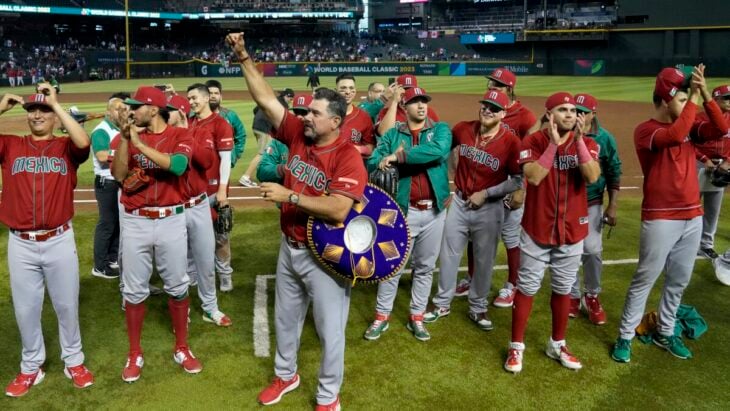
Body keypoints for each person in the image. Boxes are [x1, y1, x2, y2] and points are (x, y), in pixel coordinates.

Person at [227, 32, 367, 411]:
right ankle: (286, 375)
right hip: (289, 247)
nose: (305, 117)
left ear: (335, 121)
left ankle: (327, 397)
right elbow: (266, 100)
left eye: (314, 113)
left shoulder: (347, 157)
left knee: (329, 331)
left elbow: (339, 208)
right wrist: (243, 57)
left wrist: (290, 196)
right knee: (286, 319)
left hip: (326, 256)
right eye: (305, 112)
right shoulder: (298, 136)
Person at [611, 65, 728, 363]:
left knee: (678, 280)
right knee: (645, 279)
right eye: (681, 99)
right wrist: (693, 100)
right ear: (666, 99)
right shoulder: (646, 131)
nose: (688, 106)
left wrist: (703, 93)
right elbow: (675, 135)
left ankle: (666, 331)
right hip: (661, 216)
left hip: (693, 216)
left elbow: (721, 128)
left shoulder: (688, 124)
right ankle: (624, 336)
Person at [0, 85, 95, 397]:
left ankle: (74, 360)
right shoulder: (10, 145)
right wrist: (1, 108)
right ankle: (30, 366)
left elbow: (84, 142)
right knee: (26, 309)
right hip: (21, 243)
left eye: (43, 110)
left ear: (54, 116)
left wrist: (56, 103)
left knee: (67, 305)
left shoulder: (67, 148)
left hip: (59, 240)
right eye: (32, 111)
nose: (37, 115)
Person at [504, 92, 600, 373]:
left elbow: (592, 176)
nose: (571, 114)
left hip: (572, 231)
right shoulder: (533, 141)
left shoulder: (589, 143)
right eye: (563, 109)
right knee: (527, 288)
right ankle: (516, 346)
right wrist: (554, 147)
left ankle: (557, 343)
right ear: (549, 114)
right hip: (538, 229)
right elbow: (533, 176)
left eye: (573, 110)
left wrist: (579, 142)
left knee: (562, 289)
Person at [112, 86, 201, 382]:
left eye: (136, 106)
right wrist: (127, 140)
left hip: (170, 219)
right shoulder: (127, 136)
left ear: (153, 109)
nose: (131, 110)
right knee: (134, 289)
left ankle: (182, 347)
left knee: (177, 284)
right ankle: (134, 352)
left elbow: (177, 166)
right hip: (136, 220)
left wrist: (140, 143)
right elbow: (118, 175)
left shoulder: (179, 135)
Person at [423, 90, 522, 332]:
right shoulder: (463, 129)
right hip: (459, 202)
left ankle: (477, 307)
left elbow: (517, 180)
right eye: (485, 106)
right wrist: (449, 179)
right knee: (448, 255)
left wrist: (487, 193)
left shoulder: (511, 142)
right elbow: (443, 150)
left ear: (503, 113)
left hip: (489, 209)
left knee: (484, 259)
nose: (487, 111)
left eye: (494, 108)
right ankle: (442, 303)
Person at [363, 86, 452, 342]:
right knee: (392, 266)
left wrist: (398, 158)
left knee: (424, 267)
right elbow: (372, 162)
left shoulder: (440, 130)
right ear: (405, 107)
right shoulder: (392, 134)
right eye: (414, 102)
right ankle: (382, 315)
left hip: (434, 211)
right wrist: (382, 159)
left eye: (424, 101)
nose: (421, 106)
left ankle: (417, 316)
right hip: (403, 212)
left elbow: (437, 152)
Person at [455, 67, 540, 307]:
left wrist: (520, 188)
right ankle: (471, 277)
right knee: (475, 236)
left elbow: (530, 154)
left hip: (510, 186)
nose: (491, 87)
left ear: (509, 89)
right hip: (483, 188)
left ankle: (512, 284)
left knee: (511, 236)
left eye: (497, 85)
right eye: (490, 83)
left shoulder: (525, 116)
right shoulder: (488, 109)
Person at [168, 94, 232, 327]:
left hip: (197, 205)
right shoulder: (161, 135)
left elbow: (205, 161)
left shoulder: (200, 133)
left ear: (182, 113)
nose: (166, 113)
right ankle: (180, 309)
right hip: (172, 208)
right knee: (177, 264)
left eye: (170, 109)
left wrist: (186, 134)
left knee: (205, 260)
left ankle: (210, 308)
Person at [568, 93, 622, 325]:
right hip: (566, 201)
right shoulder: (562, 133)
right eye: (574, 110)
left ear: (593, 114)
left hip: (592, 201)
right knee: (568, 250)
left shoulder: (604, 138)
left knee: (591, 249)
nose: (578, 115)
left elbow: (614, 171)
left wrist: (613, 204)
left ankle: (592, 295)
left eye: (582, 111)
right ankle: (571, 296)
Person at [187, 83, 236, 292]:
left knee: (220, 236)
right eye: (189, 99)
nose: (192, 102)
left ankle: (224, 274)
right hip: (191, 192)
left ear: (207, 98)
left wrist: (223, 190)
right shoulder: (188, 123)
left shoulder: (220, 124)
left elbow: (225, 159)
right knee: (189, 237)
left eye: (195, 98)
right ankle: (192, 276)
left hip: (214, 191)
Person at [90, 93, 128, 280]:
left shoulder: (121, 129)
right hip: (106, 183)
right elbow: (102, 156)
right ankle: (99, 266)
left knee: (118, 222)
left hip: (117, 182)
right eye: (117, 109)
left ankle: (112, 258)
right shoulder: (101, 130)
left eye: (124, 109)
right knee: (107, 224)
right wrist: (125, 153)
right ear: (108, 111)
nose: (121, 112)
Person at [693, 84, 730, 259]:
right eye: (727, 98)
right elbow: (689, 145)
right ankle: (685, 243)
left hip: (722, 167)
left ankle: (706, 245)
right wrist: (703, 159)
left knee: (713, 209)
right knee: (691, 206)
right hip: (698, 165)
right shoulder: (699, 118)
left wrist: (727, 162)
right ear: (714, 100)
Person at [239, 89, 293, 187]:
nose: (290, 101)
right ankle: (246, 177)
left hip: (256, 126)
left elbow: (255, 109)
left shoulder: (273, 101)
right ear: (287, 97)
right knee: (263, 152)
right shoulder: (283, 105)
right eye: (291, 98)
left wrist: (261, 118)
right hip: (263, 128)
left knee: (267, 150)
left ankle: (266, 171)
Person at [375, 74, 439, 136]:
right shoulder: (386, 112)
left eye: (410, 89)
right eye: (404, 89)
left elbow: (437, 134)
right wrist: (395, 101)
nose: (407, 92)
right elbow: (384, 133)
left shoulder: (427, 111)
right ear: (396, 90)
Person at [205, 79, 247, 167]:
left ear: (221, 96)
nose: (213, 96)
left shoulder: (230, 115)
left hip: (223, 164)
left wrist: (235, 155)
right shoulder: (195, 116)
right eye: (210, 93)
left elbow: (241, 135)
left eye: (216, 93)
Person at [335, 73, 375, 159]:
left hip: (352, 165)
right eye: (343, 88)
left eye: (351, 88)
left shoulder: (364, 117)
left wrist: (358, 149)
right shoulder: (326, 114)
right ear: (335, 91)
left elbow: (370, 147)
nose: (348, 92)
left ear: (355, 90)